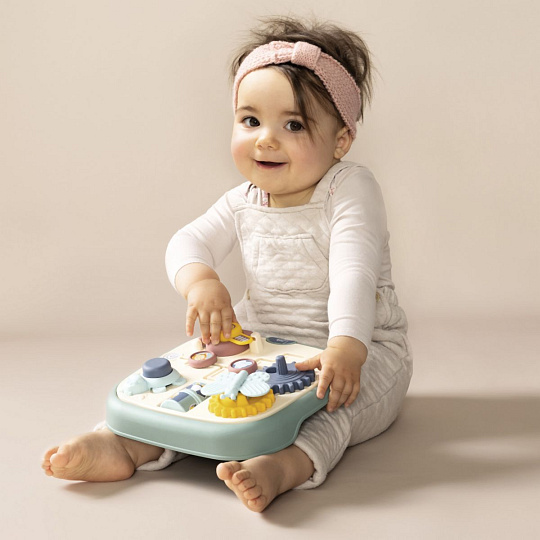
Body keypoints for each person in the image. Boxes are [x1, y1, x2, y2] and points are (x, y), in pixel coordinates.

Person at [42, 16, 412, 513]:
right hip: (264, 340)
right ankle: (123, 442)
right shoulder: (243, 200)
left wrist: (346, 346)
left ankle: (283, 464)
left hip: (359, 349)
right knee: (197, 386)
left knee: (333, 408)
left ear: (341, 139)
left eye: (293, 125)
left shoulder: (349, 189)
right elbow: (187, 240)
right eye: (250, 121)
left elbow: (354, 272)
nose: (265, 139)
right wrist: (200, 281)